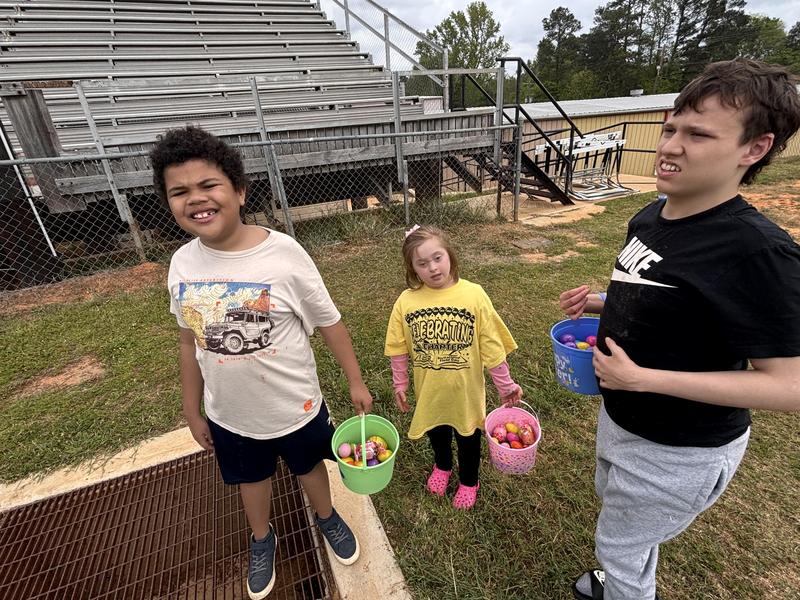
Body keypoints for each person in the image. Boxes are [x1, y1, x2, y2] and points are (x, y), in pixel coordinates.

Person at [560, 58, 800, 600]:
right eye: (670, 128)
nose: (670, 146)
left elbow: (790, 386)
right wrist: (600, 302)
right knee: (620, 518)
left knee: (619, 548)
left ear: (754, 148)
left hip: (678, 448)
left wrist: (645, 379)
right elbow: (672, 296)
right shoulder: (653, 215)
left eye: (698, 134)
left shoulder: (758, 252)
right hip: (623, 416)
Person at [151, 125, 373, 600]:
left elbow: (330, 322)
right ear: (168, 203)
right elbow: (188, 342)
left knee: (310, 466)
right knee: (251, 479)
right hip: (231, 415)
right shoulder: (181, 265)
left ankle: (327, 517)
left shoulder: (284, 254)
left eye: (208, 185)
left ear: (239, 190)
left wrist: (355, 380)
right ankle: (261, 538)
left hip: (297, 406)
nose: (196, 199)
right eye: (179, 192)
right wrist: (192, 409)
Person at [384, 224, 523, 510]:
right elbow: (398, 346)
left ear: (450, 254)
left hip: (466, 394)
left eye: (438, 258)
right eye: (422, 263)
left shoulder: (474, 295)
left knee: (468, 438)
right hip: (430, 391)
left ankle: (469, 480)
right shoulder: (406, 301)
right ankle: (443, 466)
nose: (433, 268)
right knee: (437, 433)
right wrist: (400, 383)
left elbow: (492, 346)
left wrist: (506, 385)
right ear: (412, 268)